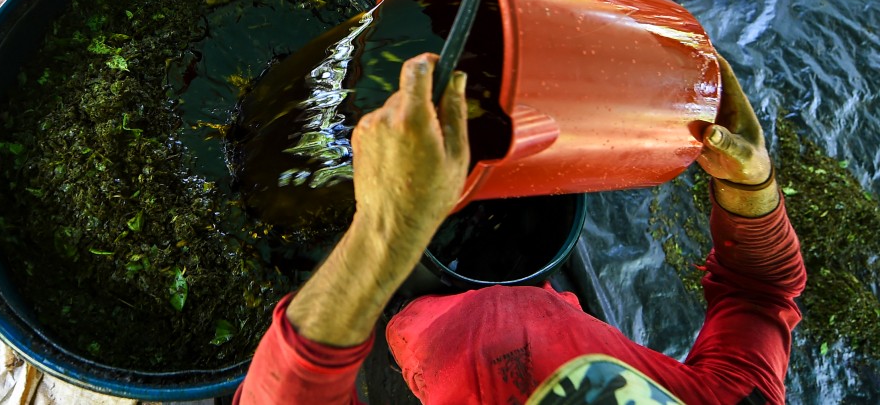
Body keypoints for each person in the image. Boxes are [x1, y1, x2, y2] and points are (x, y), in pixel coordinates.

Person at [233, 52, 806, 405]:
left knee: (408, 322)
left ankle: (404, 321)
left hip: (432, 347)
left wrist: (386, 233)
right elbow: (762, 297)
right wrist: (751, 187)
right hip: (544, 309)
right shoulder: (735, 401)